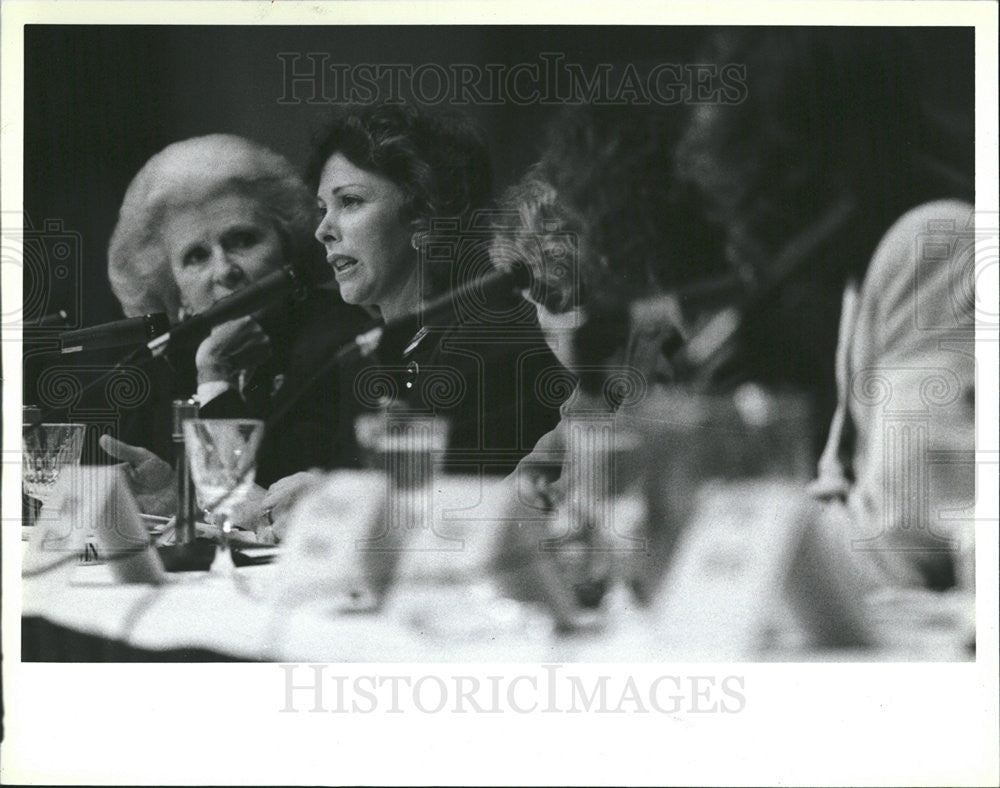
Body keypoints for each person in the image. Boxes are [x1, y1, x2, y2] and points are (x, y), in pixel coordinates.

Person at [673, 28, 975, 590]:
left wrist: (712, 541)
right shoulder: (871, 267)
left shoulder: (934, 242)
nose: (740, 239)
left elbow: (903, 535)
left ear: (798, 162)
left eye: (746, 193)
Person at [261, 103, 565, 526]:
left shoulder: (488, 348)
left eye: (349, 202)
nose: (323, 230)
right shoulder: (373, 351)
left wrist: (335, 503)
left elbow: (462, 515)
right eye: (321, 209)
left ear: (423, 215)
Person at [487, 104, 727, 624]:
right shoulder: (596, 376)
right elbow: (554, 453)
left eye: (566, 302)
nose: (561, 332)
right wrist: (532, 480)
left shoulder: (681, 345)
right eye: (543, 306)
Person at [98, 134, 369, 514]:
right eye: (196, 256)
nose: (225, 270)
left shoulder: (342, 342)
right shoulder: (158, 370)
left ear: (288, 247)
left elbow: (261, 505)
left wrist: (215, 376)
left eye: (242, 240)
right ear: (176, 294)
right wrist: (177, 502)